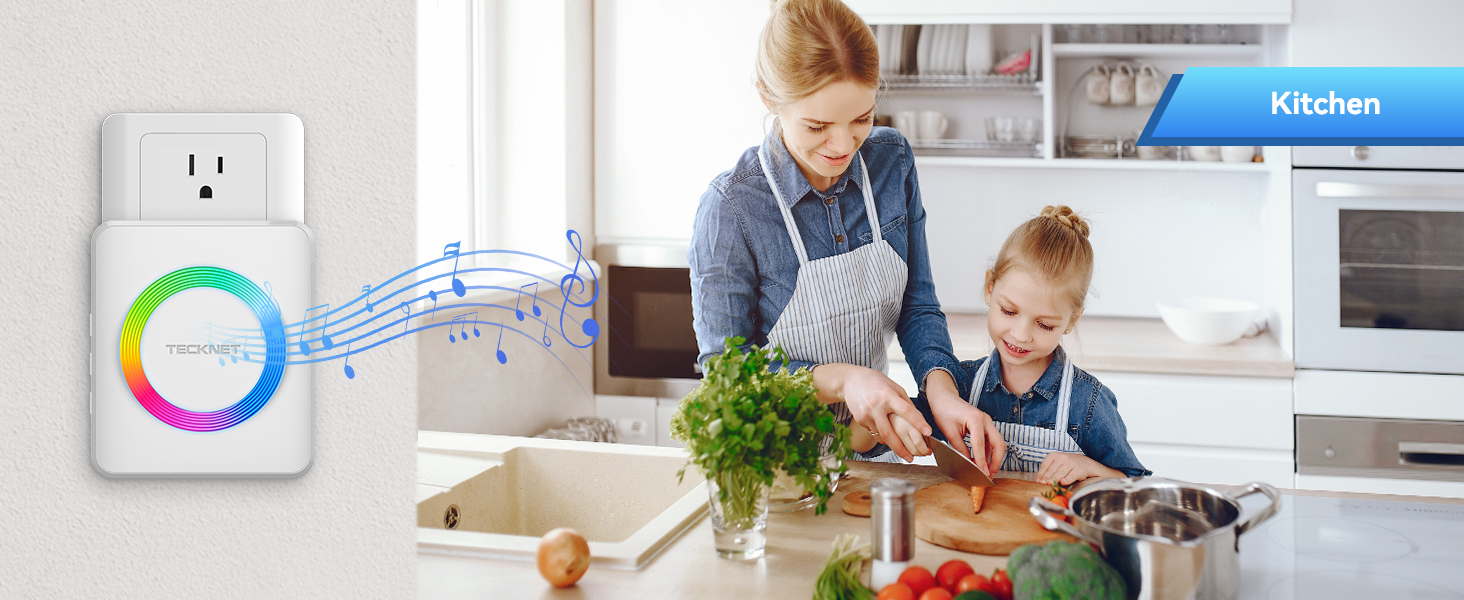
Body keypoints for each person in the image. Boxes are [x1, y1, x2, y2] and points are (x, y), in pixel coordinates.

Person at [687, 0, 1006, 468]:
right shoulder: (732, 208)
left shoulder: (890, 161)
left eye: (861, 119)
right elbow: (727, 377)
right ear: (769, 98)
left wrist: (942, 392)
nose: (842, 146)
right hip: (778, 476)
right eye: (817, 126)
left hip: (872, 455)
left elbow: (917, 306)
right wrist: (843, 381)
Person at [906, 206, 1150, 483]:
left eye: (1045, 325)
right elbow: (880, 435)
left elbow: (1134, 483)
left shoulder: (1088, 403)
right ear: (989, 288)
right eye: (1009, 311)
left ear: (1072, 320)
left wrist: (1088, 467)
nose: (1021, 335)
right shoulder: (959, 386)